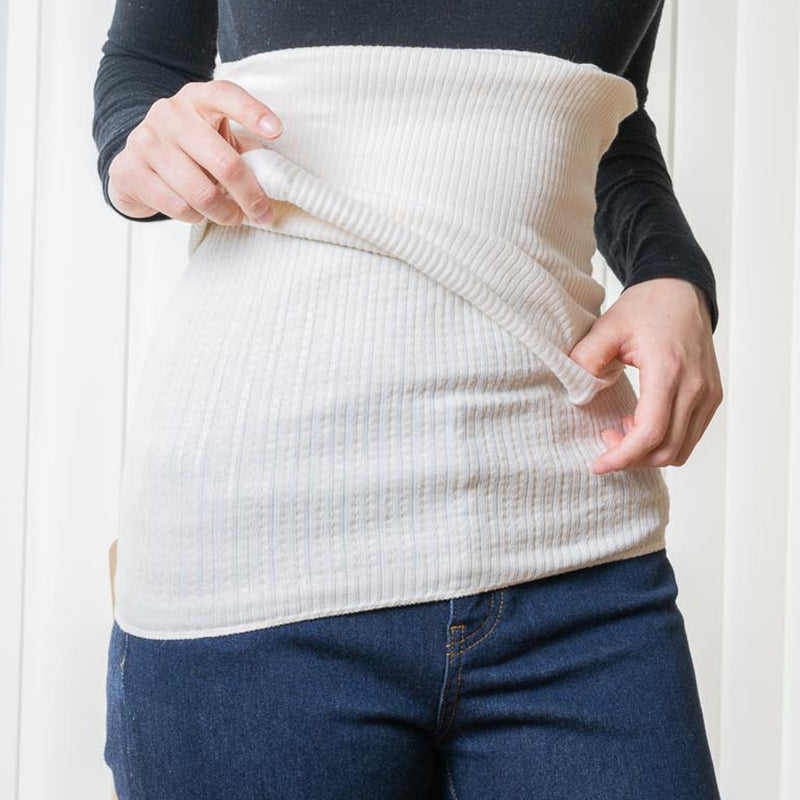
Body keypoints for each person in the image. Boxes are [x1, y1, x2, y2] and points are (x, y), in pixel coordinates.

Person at [92, 1, 724, 798]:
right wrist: (139, 146)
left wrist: (671, 272)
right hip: (255, 554)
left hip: (576, 552)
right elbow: (144, 67)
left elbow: (605, 112)